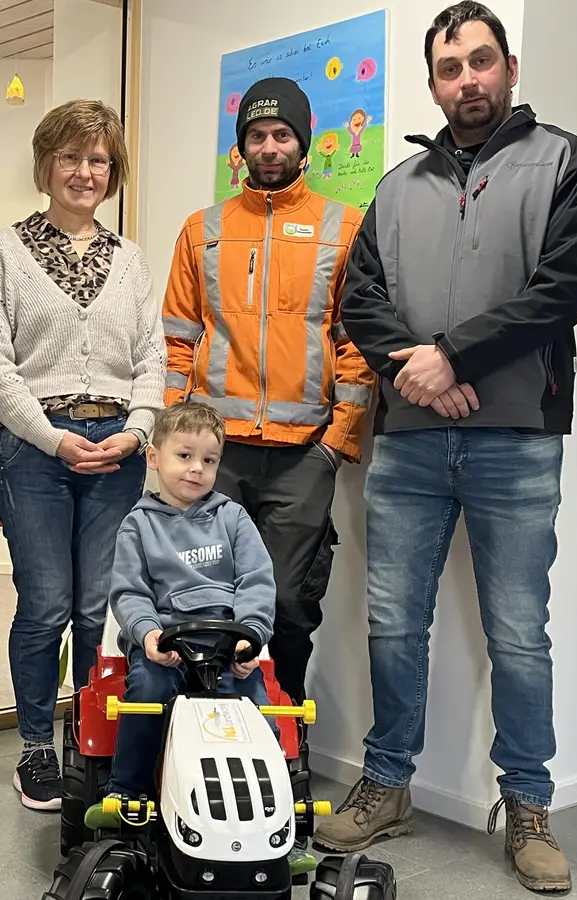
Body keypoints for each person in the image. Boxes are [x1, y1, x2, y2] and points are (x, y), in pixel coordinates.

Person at [314, 3, 577, 893]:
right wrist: (425, 373)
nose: (467, 79)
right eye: (450, 68)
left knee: (518, 633)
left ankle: (528, 804)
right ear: (433, 83)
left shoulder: (568, 162)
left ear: (509, 68)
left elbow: (564, 288)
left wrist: (453, 356)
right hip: (408, 440)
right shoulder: (398, 185)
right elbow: (360, 299)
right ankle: (388, 783)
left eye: (482, 61)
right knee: (392, 621)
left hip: (517, 439)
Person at [0, 99, 164, 811]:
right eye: (70, 157)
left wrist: (137, 430)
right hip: (34, 450)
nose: (85, 172)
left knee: (96, 609)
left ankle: (89, 741)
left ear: (114, 172)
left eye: (99, 160)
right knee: (47, 604)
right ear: (46, 165)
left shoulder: (130, 260)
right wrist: (53, 437)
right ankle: (33, 748)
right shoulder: (3, 251)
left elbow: (152, 358)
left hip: (118, 449)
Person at [161, 76, 375, 705]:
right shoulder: (202, 229)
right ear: (242, 147)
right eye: (257, 135)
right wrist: (176, 437)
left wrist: (336, 443)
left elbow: (357, 342)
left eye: (282, 134)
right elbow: (177, 339)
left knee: (286, 604)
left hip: (303, 456)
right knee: (203, 597)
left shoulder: (345, 227)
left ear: (304, 142)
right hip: (215, 455)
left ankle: (282, 732)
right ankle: (199, 729)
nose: (270, 147)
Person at [103, 401, 276, 804]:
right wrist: (148, 635)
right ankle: (128, 791)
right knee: (148, 693)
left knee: (257, 712)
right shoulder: (138, 524)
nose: (197, 468)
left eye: (209, 460)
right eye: (184, 456)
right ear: (153, 458)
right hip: (166, 644)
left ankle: (265, 798)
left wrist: (251, 635)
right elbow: (130, 592)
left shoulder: (233, 518)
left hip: (228, 643)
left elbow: (256, 581)